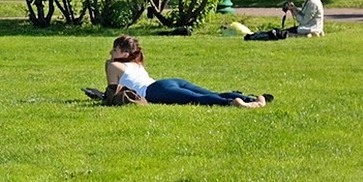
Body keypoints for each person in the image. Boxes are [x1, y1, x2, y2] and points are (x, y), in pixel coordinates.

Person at [105, 34, 271, 108]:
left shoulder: (113, 65)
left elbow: (113, 92)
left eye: (115, 49)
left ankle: (234, 103)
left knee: (197, 99)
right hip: (168, 82)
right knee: (210, 93)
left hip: (154, 91)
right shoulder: (136, 63)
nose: (111, 53)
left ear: (125, 54)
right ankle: (249, 98)